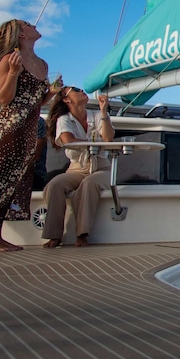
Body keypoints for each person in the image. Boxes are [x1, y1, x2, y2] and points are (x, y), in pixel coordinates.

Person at [0, 20, 61, 252]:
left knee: (12, 183)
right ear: (21, 35)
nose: (35, 26)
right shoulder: (9, 60)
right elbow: (4, 99)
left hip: (28, 130)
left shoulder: (42, 64)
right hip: (9, 129)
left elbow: (36, 103)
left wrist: (51, 93)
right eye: (28, 24)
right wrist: (13, 73)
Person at [42, 86, 113, 247]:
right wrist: (92, 144)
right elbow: (68, 140)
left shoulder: (97, 116)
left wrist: (103, 113)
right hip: (77, 168)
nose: (82, 90)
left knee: (89, 183)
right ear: (67, 99)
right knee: (55, 185)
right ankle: (54, 234)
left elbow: (108, 139)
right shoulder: (64, 119)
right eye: (76, 89)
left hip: (101, 167)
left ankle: (82, 234)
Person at [6, 116, 48, 220]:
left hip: (33, 174)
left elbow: (34, 156)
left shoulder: (36, 121)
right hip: (8, 175)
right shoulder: (3, 121)